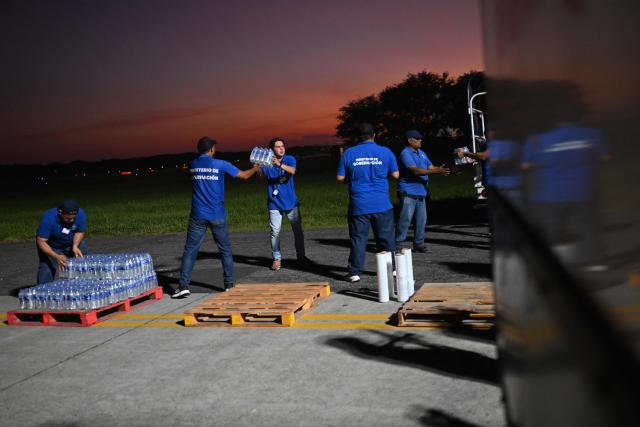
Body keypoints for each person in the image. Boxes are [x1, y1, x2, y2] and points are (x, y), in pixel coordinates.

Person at [172, 136, 260, 298]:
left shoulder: (193, 164)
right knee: (225, 250)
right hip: (217, 214)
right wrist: (255, 168)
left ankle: (183, 285)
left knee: (190, 250)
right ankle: (228, 285)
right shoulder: (220, 164)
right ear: (212, 149)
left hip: (197, 214)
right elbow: (244, 176)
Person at [337, 123, 399, 283]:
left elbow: (340, 178)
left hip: (359, 204)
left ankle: (354, 272)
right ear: (374, 135)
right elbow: (396, 175)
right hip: (382, 204)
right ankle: (391, 269)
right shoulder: (386, 152)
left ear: (358, 136)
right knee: (385, 238)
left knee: (358, 239)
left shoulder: (348, 153)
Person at [258, 137, 310, 271]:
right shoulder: (266, 163)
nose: (281, 149)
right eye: (277, 146)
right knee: (275, 232)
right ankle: (277, 259)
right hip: (274, 203)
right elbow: (261, 176)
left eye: (282, 146)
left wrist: (279, 164)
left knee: (297, 231)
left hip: (291, 202)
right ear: (272, 149)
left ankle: (301, 256)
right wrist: (258, 166)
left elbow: (292, 171)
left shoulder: (289, 159)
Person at [396, 130, 450, 253]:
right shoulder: (405, 153)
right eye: (417, 138)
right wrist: (436, 171)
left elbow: (431, 168)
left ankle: (419, 244)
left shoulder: (422, 153)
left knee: (421, 221)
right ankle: (398, 244)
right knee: (405, 220)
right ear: (410, 140)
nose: (420, 140)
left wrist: (444, 169)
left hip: (421, 192)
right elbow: (415, 171)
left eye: (420, 138)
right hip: (408, 192)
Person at [36, 199, 88, 284]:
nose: (71, 221)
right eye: (68, 218)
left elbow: (80, 232)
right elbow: (41, 241)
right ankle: (43, 292)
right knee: (47, 267)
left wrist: (75, 246)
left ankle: (85, 286)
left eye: (73, 218)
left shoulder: (81, 215)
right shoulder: (48, 218)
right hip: (51, 244)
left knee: (85, 261)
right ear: (60, 213)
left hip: (72, 241)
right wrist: (56, 256)